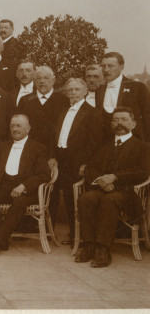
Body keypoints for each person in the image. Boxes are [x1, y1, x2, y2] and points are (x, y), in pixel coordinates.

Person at [75, 107, 150, 268]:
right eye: (115, 120)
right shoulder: (104, 145)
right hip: (101, 188)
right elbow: (90, 167)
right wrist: (101, 179)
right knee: (86, 198)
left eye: (124, 119)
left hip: (127, 193)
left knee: (110, 200)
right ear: (111, 124)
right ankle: (88, 245)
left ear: (134, 124)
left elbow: (142, 171)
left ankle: (103, 249)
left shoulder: (143, 146)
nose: (119, 123)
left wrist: (115, 177)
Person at [0, 114, 51, 257]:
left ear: (28, 128)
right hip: (5, 187)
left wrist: (24, 186)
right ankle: (3, 239)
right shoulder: (4, 146)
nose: (15, 129)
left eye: (19, 126)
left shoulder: (38, 148)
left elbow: (44, 175)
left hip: (27, 191)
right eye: (12, 126)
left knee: (19, 202)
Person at [48, 78, 104, 243]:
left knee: (76, 198)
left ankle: (79, 236)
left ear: (85, 91)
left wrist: (86, 164)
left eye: (76, 89)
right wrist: (52, 156)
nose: (73, 93)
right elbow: (54, 136)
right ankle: (62, 233)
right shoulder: (63, 110)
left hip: (78, 161)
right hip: (61, 159)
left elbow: (95, 143)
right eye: (70, 90)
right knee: (60, 196)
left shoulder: (93, 113)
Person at [95, 51, 150, 142]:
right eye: (103, 66)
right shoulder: (99, 90)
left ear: (121, 67)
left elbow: (147, 117)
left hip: (134, 143)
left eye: (110, 66)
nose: (106, 70)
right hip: (106, 144)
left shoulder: (137, 87)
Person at [18, 66, 69, 153]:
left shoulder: (63, 100)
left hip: (56, 150)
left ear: (53, 80)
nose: (42, 81)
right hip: (30, 150)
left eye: (46, 78)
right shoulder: (25, 100)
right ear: (34, 81)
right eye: (38, 78)